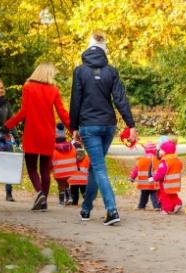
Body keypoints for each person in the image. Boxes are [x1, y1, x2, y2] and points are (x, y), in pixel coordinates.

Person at [70, 33, 137, 225]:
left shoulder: (80, 71)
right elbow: (120, 99)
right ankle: (86, 208)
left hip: (89, 125)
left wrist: (74, 127)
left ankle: (112, 210)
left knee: (98, 167)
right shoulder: (111, 71)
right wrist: (130, 124)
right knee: (94, 166)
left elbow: (76, 100)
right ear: (104, 50)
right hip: (108, 125)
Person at [5, 63, 71, 211]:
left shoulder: (28, 87)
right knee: (45, 170)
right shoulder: (53, 90)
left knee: (31, 168)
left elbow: (24, 112)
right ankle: (44, 202)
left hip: (32, 133)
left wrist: (7, 126)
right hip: (48, 134)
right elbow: (62, 112)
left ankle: (40, 193)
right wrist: (73, 129)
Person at [150, 140, 183, 214]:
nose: (160, 151)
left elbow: (161, 172)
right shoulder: (177, 159)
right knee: (172, 193)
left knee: (164, 196)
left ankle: (167, 209)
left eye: (161, 150)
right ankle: (178, 203)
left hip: (165, 182)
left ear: (165, 151)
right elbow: (181, 167)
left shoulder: (165, 160)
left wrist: (155, 178)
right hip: (175, 181)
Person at [129, 142, 160, 210]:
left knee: (144, 195)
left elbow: (136, 170)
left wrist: (132, 178)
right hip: (153, 182)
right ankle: (156, 206)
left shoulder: (141, 160)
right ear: (155, 150)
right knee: (154, 195)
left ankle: (141, 206)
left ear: (145, 150)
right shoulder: (157, 160)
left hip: (143, 182)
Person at [52, 123, 77, 206]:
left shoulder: (55, 149)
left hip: (60, 171)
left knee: (60, 184)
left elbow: (51, 161)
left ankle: (61, 200)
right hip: (70, 170)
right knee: (66, 182)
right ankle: (69, 197)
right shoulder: (70, 147)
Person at [68, 142, 90, 208]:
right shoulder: (86, 158)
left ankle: (74, 202)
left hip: (74, 180)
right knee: (84, 191)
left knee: (74, 192)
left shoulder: (71, 157)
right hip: (84, 180)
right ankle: (87, 200)